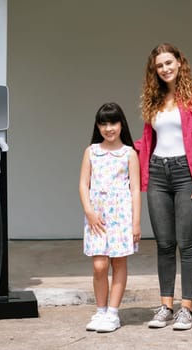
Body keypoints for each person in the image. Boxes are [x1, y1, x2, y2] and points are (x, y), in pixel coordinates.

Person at [135, 43, 192, 330]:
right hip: (158, 172)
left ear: (180, 62)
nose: (165, 69)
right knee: (165, 244)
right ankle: (166, 306)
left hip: (186, 175)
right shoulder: (154, 99)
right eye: (159, 65)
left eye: (169, 63)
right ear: (154, 70)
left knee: (187, 243)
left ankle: (187, 309)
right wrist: (117, 147)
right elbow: (148, 142)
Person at [79, 102, 141, 333]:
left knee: (119, 262)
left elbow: (135, 189)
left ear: (121, 124)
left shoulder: (129, 154)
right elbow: (83, 184)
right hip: (97, 217)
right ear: (98, 126)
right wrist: (89, 212)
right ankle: (101, 310)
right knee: (99, 265)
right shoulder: (91, 151)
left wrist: (136, 222)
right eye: (103, 123)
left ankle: (113, 314)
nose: (109, 128)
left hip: (122, 216)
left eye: (113, 122)